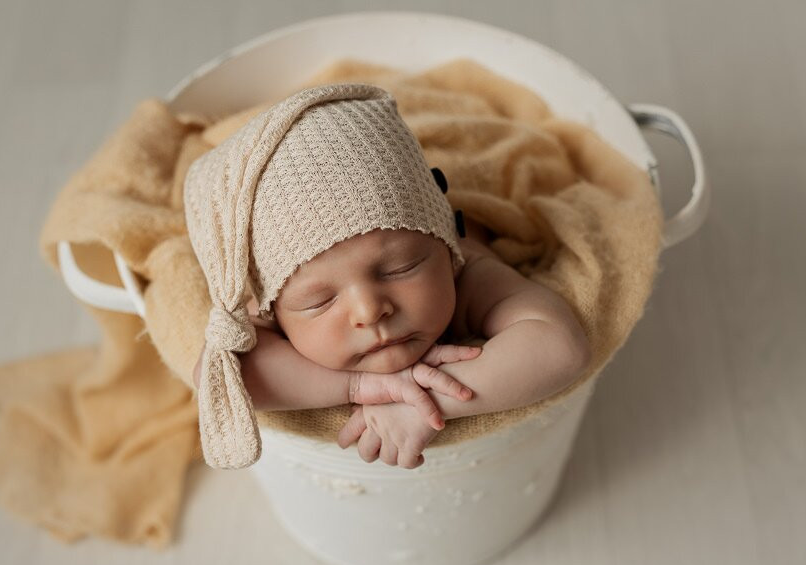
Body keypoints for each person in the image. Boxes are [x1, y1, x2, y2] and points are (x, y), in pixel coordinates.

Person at [186, 82, 589, 471]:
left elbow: (558, 345)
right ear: (272, 309)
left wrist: (426, 397)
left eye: (400, 268)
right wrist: (362, 387)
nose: (369, 310)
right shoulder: (271, 295)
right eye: (320, 301)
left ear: (444, 247)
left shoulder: (465, 273)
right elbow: (219, 376)